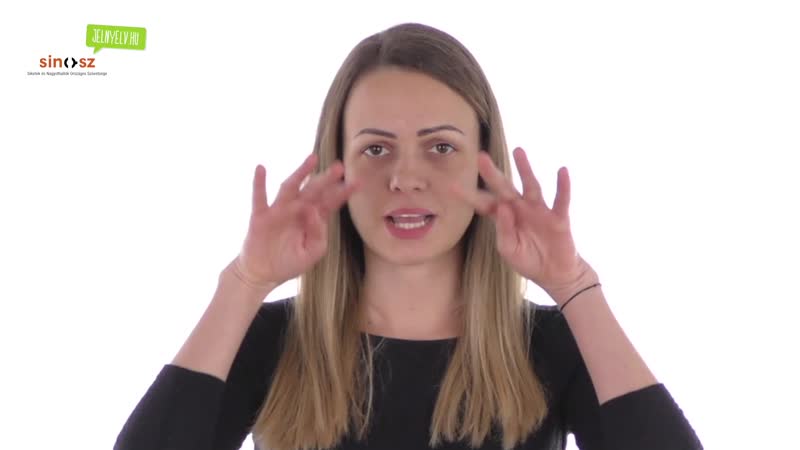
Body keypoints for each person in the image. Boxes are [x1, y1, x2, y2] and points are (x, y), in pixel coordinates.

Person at [114, 22, 703, 450]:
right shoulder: (271, 340)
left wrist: (574, 285)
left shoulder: (549, 346)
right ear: (335, 167)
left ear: (484, 165)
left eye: (441, 146)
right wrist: (245, 282)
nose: (405, 178)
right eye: (376, 149)